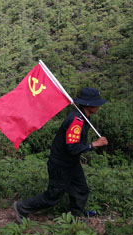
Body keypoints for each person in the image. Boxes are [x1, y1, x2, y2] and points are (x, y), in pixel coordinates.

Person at [13, 87, 108, 222]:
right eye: (96, 102)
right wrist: (94, 145)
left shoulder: (85, 118)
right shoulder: (76, 121)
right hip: (60, 164)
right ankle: (21, 208)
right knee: (53, 196)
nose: (99, 105)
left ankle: (73, 218)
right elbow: (72, 148)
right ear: (88, 104)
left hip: (71, 163)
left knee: (81, 190)